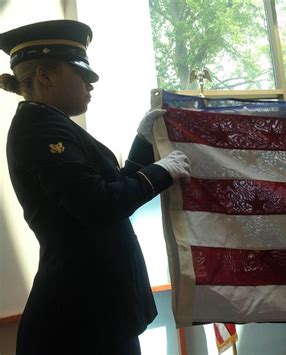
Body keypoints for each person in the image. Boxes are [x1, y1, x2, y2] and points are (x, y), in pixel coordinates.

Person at [0, 20, 190, 355]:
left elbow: (109, 185)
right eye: (83, 75)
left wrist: (143, 143)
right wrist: (162, 172)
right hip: (78, 321)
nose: (91, 85)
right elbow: (99, 205)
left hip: (97, 311)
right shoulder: (39, 130)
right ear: (44, 75)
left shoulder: (52, 124)